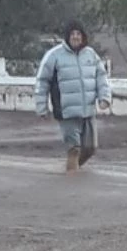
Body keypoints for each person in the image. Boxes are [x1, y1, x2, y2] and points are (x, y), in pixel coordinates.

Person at [35, 22, 111, 173]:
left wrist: (105, 98)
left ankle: (70, 170)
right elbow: (42, 81)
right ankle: (71, 184)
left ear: (83, 37)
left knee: (90, 148)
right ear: (67, 37)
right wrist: (41, 107)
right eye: (72, 34)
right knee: (74, 149)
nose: (76, 37)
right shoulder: (54, 55)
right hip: (66, 111)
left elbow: (101, 77)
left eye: (78, 34)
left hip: (88, 111)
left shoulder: (91, 54)